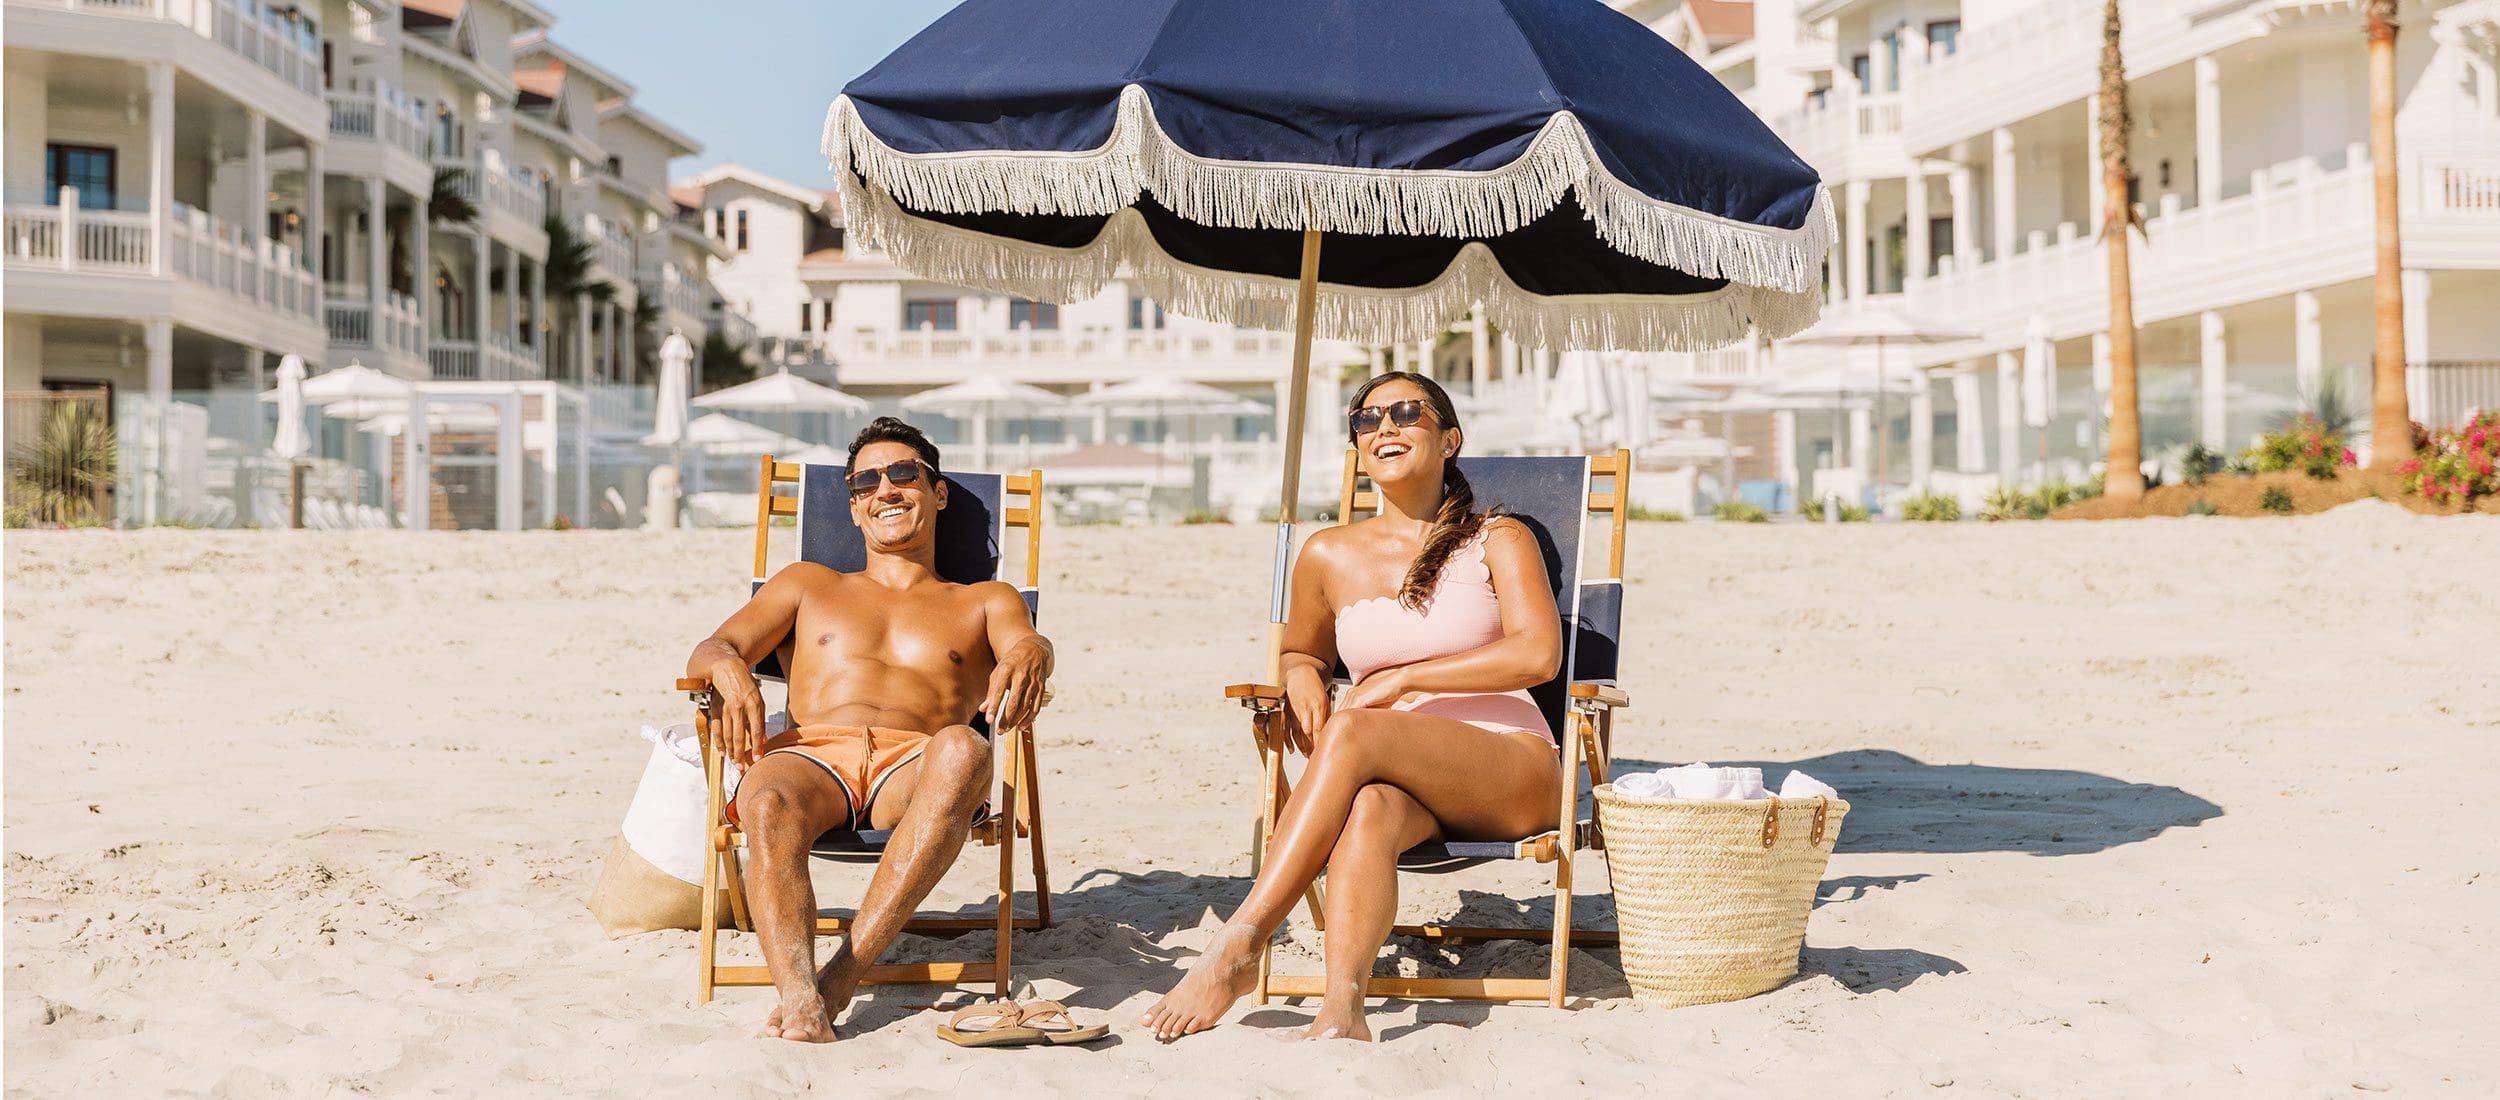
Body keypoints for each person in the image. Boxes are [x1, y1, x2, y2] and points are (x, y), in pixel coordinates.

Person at [1141, 372, 1563, 1042]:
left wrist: (1400, 682)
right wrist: (1302, 676)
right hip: (1395, 773)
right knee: (1369, 808)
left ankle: (1240, 943)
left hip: (1510, 770)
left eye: (1406, 412)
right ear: (1358, 447)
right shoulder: (1326, 553)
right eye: (1366, 419)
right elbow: (1300, 652)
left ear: (1450, 439)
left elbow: (1539, 655)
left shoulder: (1499, 537)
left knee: (1355, 730)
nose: (1384, 427)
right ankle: (1344, 1008)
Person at [684, 417, 1053, 1043]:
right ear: (854, 508)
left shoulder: (986, 599)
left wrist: (1034, 652)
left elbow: (1026, 643)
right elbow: (715, 646)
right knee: (766, 797)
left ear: (938, 493)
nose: (885, 489)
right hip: (812, 759)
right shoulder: (807, 583)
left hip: (916, 768)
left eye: (904, 473)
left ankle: (837, 981)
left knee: (965, 748)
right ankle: (799, 999)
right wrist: (729, 670)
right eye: (865, 483)